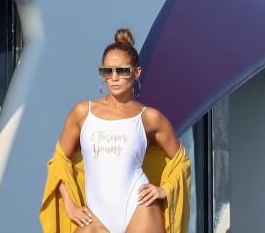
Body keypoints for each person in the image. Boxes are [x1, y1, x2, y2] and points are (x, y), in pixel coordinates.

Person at [39, 29, 191, 233]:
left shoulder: (149, 117)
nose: (114, 77)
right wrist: (70, 206)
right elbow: (59, 162)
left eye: (122, 70)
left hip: (141, 208)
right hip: (94, 217)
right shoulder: (83, 112)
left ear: (136, 73)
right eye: (107, 71)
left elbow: (181, 160)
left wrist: (165, 190)